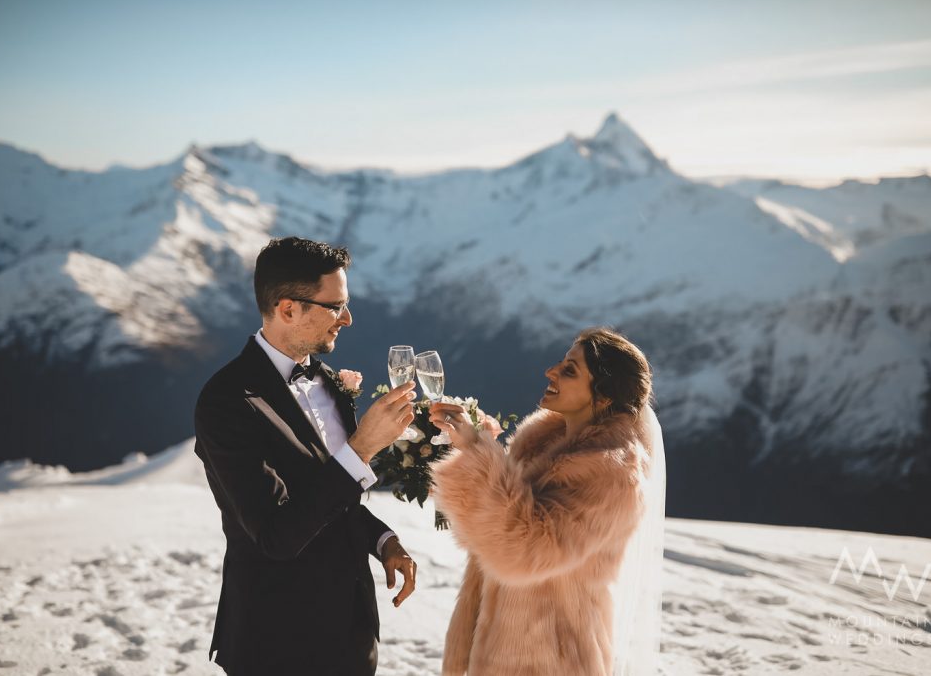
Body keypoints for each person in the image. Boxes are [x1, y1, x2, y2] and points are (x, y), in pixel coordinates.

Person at [194, 236, 419, 675]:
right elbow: (276, 534)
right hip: (276, 640)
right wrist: (361, 449)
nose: (348, 319)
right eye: (335, 307)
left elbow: (329, 496)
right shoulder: (227, 400)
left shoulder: (329, 381)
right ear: (287, 309)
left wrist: (382, 540)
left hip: (353, 632)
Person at [429, 327, 666, 676]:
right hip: (495, 649)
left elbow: (523, 550)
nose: (550, 372)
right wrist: (481, 453)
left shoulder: (613, 473)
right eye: (561, 362)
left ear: (602, 397)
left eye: (569, 370)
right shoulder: (540, 445)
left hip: (555, 656)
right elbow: (487, 538)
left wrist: (478, 452)